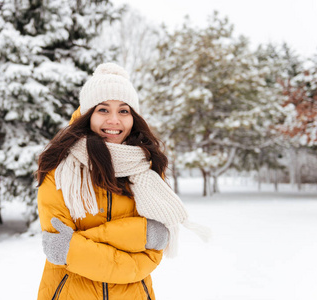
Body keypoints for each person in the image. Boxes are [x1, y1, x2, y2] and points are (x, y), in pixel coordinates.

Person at [36, 63, 208, 300]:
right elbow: (57, 247)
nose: (114, 120)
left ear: (133, 117)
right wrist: (143, 233)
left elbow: (151, 255)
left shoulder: (147, 167)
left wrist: (78, 245)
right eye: (103, 110)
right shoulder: (60, 166)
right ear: (88, 115)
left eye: (124, 111)